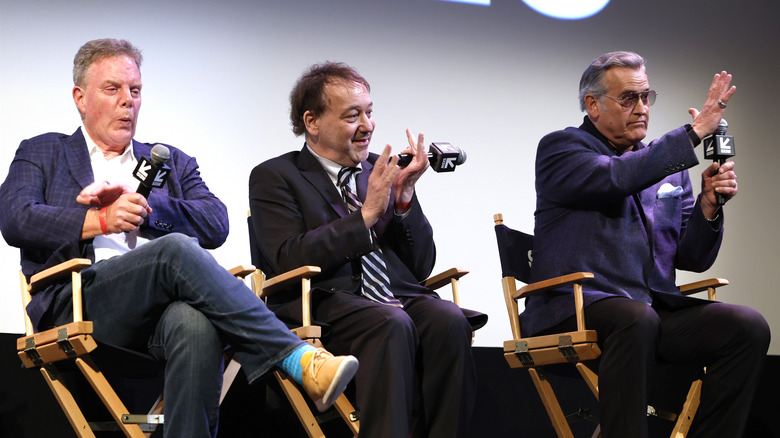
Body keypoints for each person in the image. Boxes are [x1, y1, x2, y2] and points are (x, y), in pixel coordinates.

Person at [0, 39, 358, 438]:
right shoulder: (44, 150)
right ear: (80, 98)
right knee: (174, 250)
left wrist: (147, 203)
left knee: (195, 323)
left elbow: (216, 223)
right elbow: (16, 218)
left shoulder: (169, 161)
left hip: (159, 315)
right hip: (81, 302)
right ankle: (298, 359)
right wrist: (101, 220)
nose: (127, 102)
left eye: (135, 91)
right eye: (113, 89)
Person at [522, 51, 770, 438]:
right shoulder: (562, 149)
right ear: (593, 105)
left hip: (648, 309)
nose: (641, 108)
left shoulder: (662, 167)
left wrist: (707, 207)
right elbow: (617, 178)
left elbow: (693, 257)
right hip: (577, 306)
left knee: (746, 327)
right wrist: (693, 133)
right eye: (628, 98)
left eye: (646, 97)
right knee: (635, 319)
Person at [248, 62, 487, 438]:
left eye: (370, 112)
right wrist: (367, 215)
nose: (368, 125)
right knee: (391, 323)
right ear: (312, 121)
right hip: (326, 302)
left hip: (394, 297)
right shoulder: (276, 176)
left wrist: (404, 201)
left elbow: (420, 266)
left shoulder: (379, 170)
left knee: (449, 321)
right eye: (352, 115)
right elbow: (287, 258)